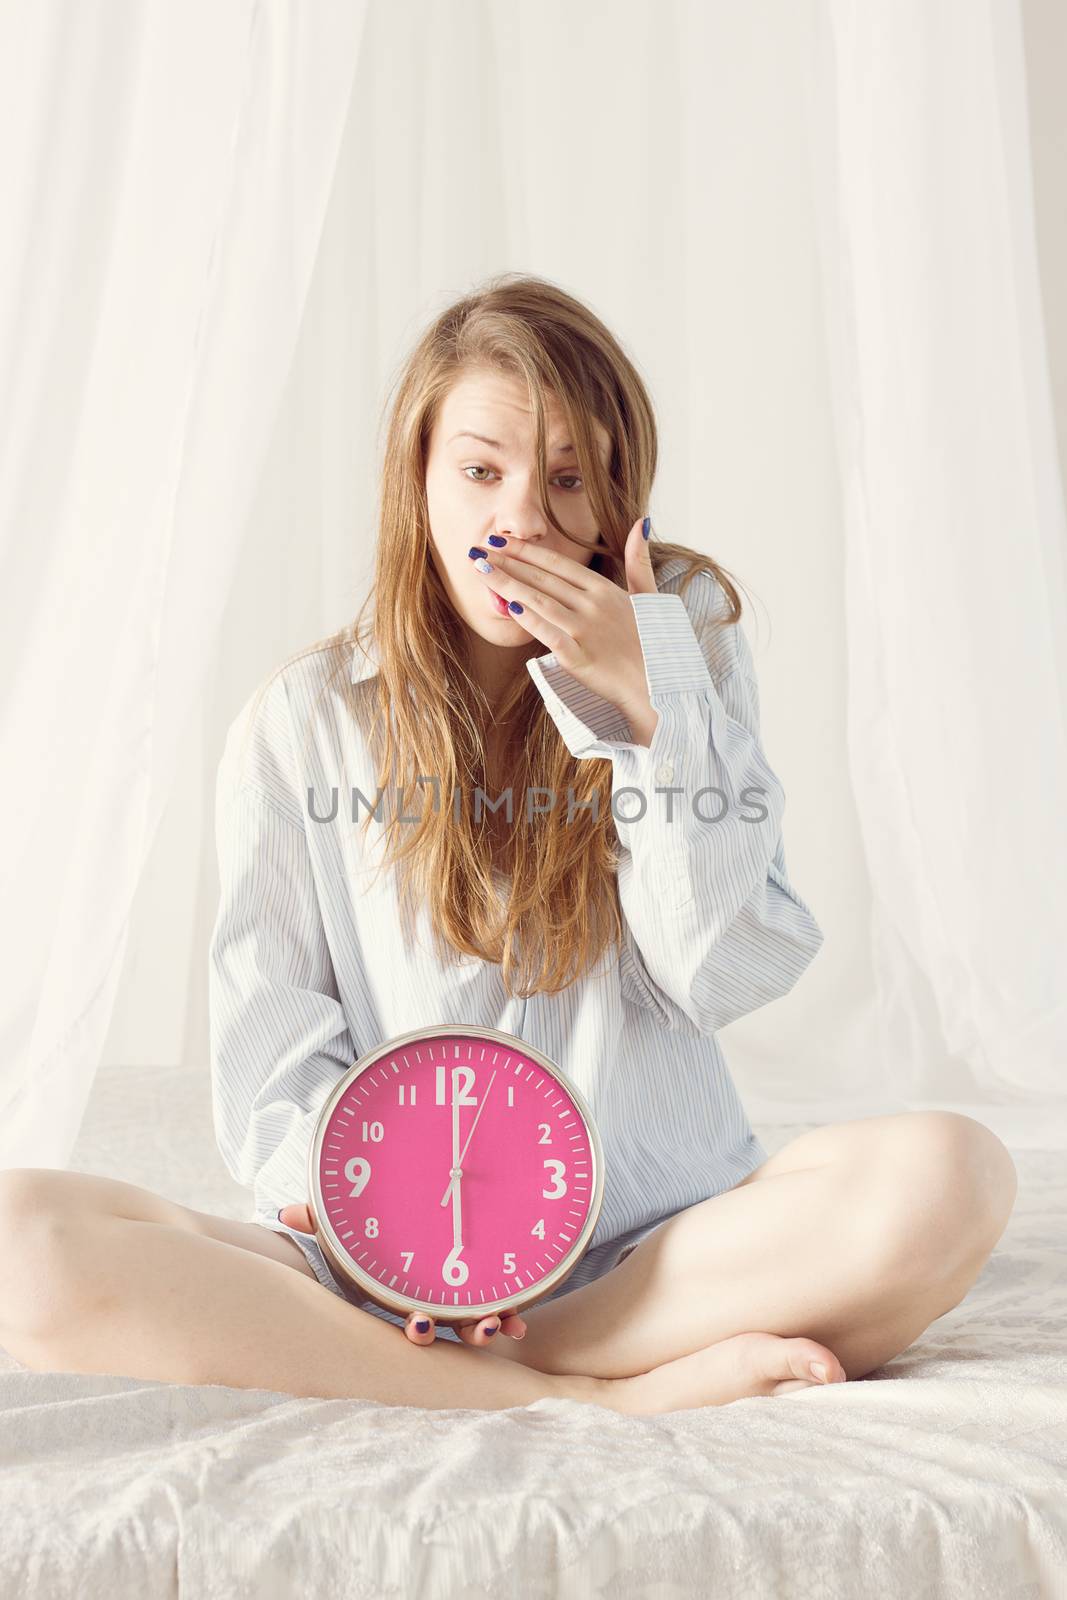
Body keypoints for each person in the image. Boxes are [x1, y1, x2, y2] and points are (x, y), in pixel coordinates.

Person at [0, 274, 1017, 1416]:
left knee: (951, 1175)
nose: (521, 517)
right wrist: (399, 1246)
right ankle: (583, 1393)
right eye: (481, 470)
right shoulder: (300, 721)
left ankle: (529, 1362)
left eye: (567, 478)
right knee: (19, 1242)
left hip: (654, 1252)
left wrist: (653, 713)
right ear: (418, 480)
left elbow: (722, 969)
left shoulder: (689, 649)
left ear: (615, 500)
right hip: (381, 1268)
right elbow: (273, 1071)